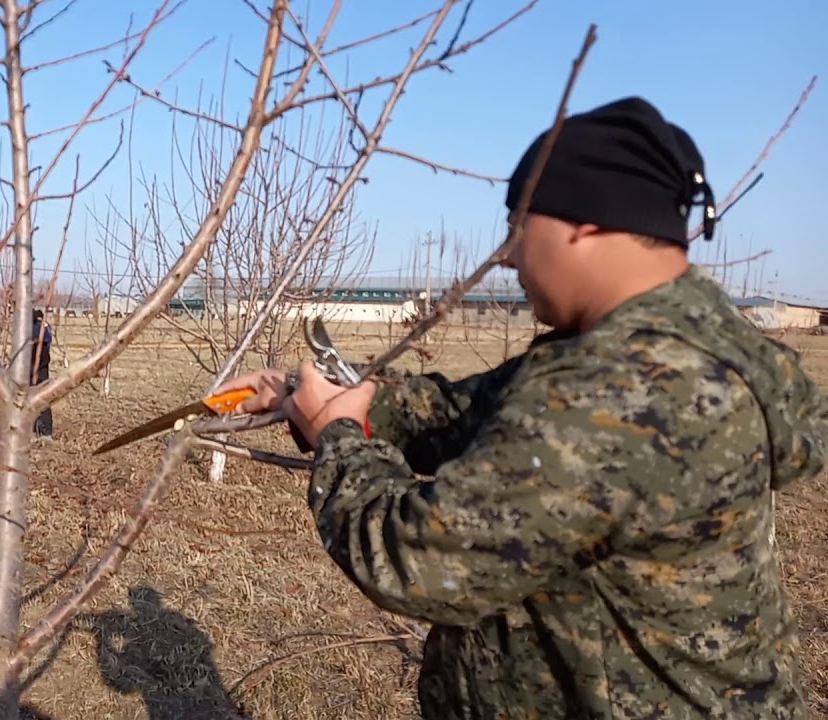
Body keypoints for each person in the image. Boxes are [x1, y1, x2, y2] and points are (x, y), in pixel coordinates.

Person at [217, 97, 828, 718]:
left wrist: (339, 434)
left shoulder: (620, 387)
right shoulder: (686, 342)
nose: (506, 258)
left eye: (517, 229)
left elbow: (415, 560)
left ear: (583, 223)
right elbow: (465, 411)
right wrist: (324, 391)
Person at [30, 308, 54, 439]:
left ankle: (38, 431)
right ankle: (45, 431)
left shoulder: (35, 328)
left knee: (32, 400)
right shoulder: (47, 328)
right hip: (43, 367)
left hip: (34, 368)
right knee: (44, 400)